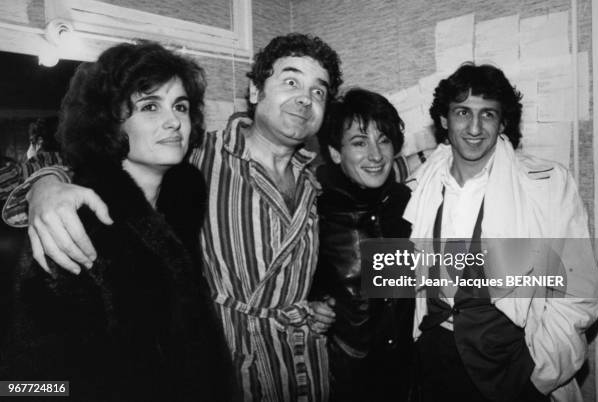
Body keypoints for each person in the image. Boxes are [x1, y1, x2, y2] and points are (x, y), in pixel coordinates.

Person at [3, 33, 343, 401]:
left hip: (304, 366)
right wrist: (45, 186)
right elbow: (26, 384)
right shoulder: (203, 156)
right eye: (291, 81)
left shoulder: (312, 180)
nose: (305, 99)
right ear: (256, 91)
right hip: (239, 369)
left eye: (319, 91)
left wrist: (313, 301)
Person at [1, 41, 233, 401]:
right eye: (149, 106)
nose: (174, 121)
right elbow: (23, 388)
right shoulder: (75, 227)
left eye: (181, 106)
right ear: (107, 121)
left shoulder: (183, 202)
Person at [403, 63, 598, 401]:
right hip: (433, 370)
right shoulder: (419, 186)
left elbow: (578, 293)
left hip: (514, 373)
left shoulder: (547, 185)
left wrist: (537, 378)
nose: (475, 127)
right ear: (444, 120)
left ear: (503, 121)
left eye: (488, 115)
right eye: (463, 112)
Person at [309, 88, 414, 401]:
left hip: (405, 376)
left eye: (383, 140)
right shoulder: (315, 210)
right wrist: (312, 305)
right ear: (336, 152)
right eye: (359, 142)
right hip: (346, 379)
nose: (376, 155)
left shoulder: (405, 202)